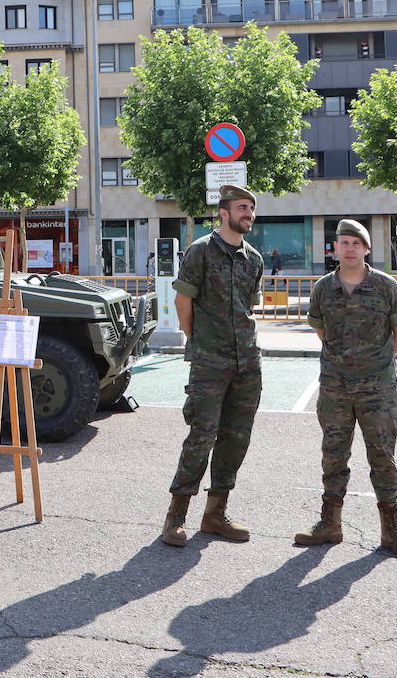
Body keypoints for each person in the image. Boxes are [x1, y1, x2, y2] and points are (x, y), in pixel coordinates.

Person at [295, 219, 397, 558]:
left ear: (366, 249)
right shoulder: (323, 288)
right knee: (333, 455)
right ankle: (329, 525)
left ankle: (391, 532)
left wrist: (373, 363)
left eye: (355, 243)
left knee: (382, 456)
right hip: (335, 387)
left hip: (377, 388)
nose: (348, 248)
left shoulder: (386, 286)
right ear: (335, 248)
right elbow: (321, 331)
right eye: (343, 243)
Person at [160, 185, 264, 547]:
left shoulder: (253, 258)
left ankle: (215, 515)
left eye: (251, 208)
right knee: (201, 438)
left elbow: (250, 307)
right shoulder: (201, 251)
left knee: (236, 440)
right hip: (210, 362)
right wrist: (198, 342)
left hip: (247, 363)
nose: (248, 214)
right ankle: (175, 517)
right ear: (224, 212)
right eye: (241, 208)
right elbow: (182, 301)